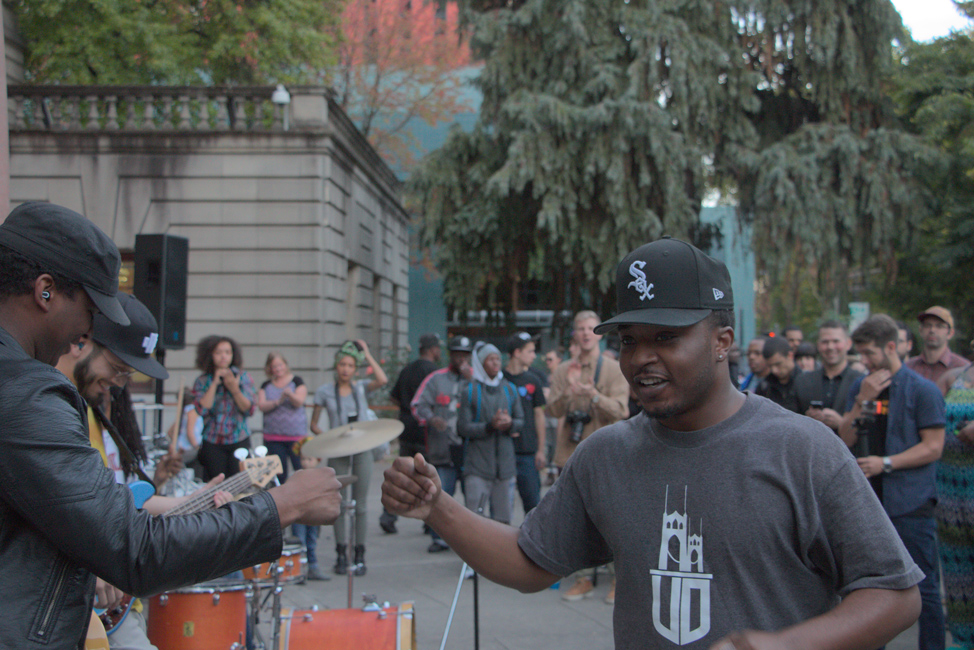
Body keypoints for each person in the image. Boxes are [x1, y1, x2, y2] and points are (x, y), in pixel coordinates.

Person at [382, 237, 922, 650]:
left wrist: (785, 645)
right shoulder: (606, 455)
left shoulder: (802, 449)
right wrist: (438, 507)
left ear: (721, 342)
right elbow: (531, 562)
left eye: (666, 337)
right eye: (629, 340)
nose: (641, 357)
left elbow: (895, 594)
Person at [0, 201, 342, 648]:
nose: (83, 333)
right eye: (89, 310)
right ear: (45, 291)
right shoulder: (26, 392)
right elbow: (135, 550)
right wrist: (283, 507)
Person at [56, 293, 233, 650]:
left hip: (109, 604)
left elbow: (113, 501)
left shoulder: (88, 411)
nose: (121, 383)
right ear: (81, 341)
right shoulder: (47, 412)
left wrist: (190, 501)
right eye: (119, 367)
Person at [839, 314, 946, 650]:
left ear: (890, 347)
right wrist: (862, 400)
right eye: (860, 355)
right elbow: (844, 438)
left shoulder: (922, 390)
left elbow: (933, 447)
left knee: (925, 589)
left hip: (911, 503)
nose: (865, 362)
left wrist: (885, 463)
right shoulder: (861, 386)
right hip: (868, 503)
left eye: (870, 354)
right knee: (869, 591)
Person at [547, 310, 630, 602]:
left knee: (612, 518)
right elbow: (552, 411)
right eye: (579, 328)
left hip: (604, 453)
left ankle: (619, 579)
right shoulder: (562, 370)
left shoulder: (613, 368)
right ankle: (582, 579)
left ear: (599, 332)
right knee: (572, 520)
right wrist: (569, 392)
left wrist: (594, 395)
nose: (584, 333)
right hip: (569, 452)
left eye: (590, 328)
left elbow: (622, 411)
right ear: (574, 334)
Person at [310, 339, 388, 575]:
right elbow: (313, 424)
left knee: (361, 505)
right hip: (338, 451)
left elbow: (382, 380)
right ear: (336, 366)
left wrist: (367, 353)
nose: (345, 369)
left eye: (350, 365)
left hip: (361, 449)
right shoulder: (325, 391)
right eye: (342, 364)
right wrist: (329, 438)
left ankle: (360, 554)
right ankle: (341, 553)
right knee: (340, 504)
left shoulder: (361, 387)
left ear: (356, 369)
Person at [411, 335, 473, 552]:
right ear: (450, 355)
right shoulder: (436, 379)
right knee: (441, 493)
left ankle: (471, 539)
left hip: (469, 449)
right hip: (442, 448)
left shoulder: (477, 380)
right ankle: (438, 538)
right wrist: (431, 418)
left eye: (465, 355)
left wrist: (472, 380)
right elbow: (418, 404)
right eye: (457, 354)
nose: (461, 359)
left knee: (471, 494)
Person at [380, 333, 442, 534]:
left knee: (402, 473)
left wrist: (407, 408)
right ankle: (431, 521)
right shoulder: (435, 373)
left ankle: (388, 515)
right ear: (433, 349)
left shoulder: (407, 369)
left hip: (406, 428)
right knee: (429, 474)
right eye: (438, 348)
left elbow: (394, 397)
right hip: (426, 430)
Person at [457, 341, 524, 523]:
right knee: (475, 522)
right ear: (480, 364)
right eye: (490, 359)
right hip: (478, 468)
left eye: (497, 359)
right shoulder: (470, 391)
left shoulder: (510, 389)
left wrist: (509, 424)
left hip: (506, 469)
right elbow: (462, 428)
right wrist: (489, 426)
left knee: (504, 521)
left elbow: (521, 421)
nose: (496, 363)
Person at [933, 355, 974, 648]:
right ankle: (961, 640)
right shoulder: (955, 377)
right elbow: (929, 418)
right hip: (950, 493)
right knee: (958, 578)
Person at [193, 335, 258, 480]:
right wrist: (215, 383)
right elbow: (202, 409)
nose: (224, 356)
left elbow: (250, 409)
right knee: (215, 484)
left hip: (238, 437)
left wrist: (234, 388)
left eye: (228, 352)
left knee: (239, 484)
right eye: (218, 352)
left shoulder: (243, 377)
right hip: (212, 440)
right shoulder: (203, 380)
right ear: (210, 355)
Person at [504, 332, 547, 514]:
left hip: (528, 451)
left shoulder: (534, 380)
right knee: (503, 504)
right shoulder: (499, 379)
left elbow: (539, 415)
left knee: (533, 503)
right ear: (516, 352)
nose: (534, 356)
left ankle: (533, 541)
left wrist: (541, 449)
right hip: (503, 450)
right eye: (530, 351)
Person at [795, 320, 863, 434]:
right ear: (818, 345)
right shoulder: (802, 381)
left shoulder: (861, 381)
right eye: (825, 342)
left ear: (848, 344)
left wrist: (842, 423)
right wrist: (807, 420)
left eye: (836, 341)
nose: (830, 347)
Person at [257, 352, 308, 481]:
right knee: (279, 474)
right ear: (269, 368)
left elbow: (299, 401)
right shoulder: (266, 385)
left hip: (296, 436)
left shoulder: (297, 381)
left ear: (285, 365)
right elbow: (261, 406)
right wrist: (277, 401)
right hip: (273, 436)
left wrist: (290, 395)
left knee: (300, 470)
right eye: (274, 366)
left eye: (280, 365)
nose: (278, 369)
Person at [292, 436, 330, 581]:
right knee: (299, 541)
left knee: (312, 540)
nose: (305, 463)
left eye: (309, 459)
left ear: (318, 459)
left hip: (314, 514)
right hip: (299, 516)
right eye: (303, 459)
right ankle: (299, 570)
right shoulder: (296, 476)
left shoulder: (321, 476)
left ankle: (313, 567)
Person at [906, 306, 968, 383]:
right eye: (927, 325)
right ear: (920, 330)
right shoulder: (909, 367)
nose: (932, 330)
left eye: (939, 326)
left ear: (950, 333)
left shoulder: (963, 368)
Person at [755, 336, 802, 412]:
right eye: (770, 366)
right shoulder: (765, 386)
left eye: (778, 364)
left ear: (790, 356)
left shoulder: (806, 382)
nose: (774, 370)